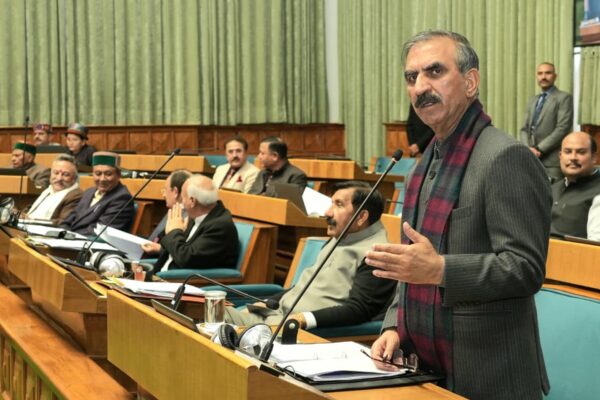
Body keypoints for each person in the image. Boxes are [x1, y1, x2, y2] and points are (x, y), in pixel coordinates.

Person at [365, 30, 552, 399]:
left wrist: (441, 270)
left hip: (489, 375)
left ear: (470, 82)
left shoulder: (505, 157)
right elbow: (412, 265)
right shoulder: (422, 166)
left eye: (435, 71)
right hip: (424, 367)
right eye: (412, 77)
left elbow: (525, 268)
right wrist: (394, 326)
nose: (421, 87)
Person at [224, 181, 396, 329]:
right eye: (331, 204)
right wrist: (266, 302)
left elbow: (359, 310)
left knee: (215, 318)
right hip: (275, 315)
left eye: (338, 205)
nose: (327, 212)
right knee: (212, 310)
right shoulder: (340, 236)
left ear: (361, 217)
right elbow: (304, 286)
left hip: (297, 330)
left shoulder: (378, 254)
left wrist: (303, 319)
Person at [153, 174, 239, 272]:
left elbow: (186, 258)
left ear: (192, 201)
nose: (182, 203)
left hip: (179, 279)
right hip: (161, 275)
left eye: (183, 198)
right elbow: (176, 250)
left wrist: (174, 232)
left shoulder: (220, 227)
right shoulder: (195, 217)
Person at [520, 62, 573, 182]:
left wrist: (539, 149)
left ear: (555, 76)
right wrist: (528, 149)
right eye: (540, 73)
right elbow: (524, 129)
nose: (543, 77)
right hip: (531, 159)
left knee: (552, 192)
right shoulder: (533, 100)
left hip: (551, 162)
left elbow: (562, 128)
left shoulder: (564, 98)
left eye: (548, 73)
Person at [61, 152, 134, 235]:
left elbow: (100, 231)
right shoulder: (89, 192)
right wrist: (61, 233)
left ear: (118, 174)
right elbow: (69, 220)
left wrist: (70, 236)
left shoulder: (122, 198)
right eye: (98, 174)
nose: (102, 179)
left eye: (108, 174)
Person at [550, 131, 600, 238]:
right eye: (568, 152)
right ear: (560, 156)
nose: (573, 157)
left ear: (594, 158)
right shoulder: (552, 189)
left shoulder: (597, 193)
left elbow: (595, 244)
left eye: (581, 152)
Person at [23, 154, 83, 224]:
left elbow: (64, 222)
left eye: (65, 174)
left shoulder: (75, 196)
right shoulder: (49, 190)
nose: (59, 178)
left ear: (74, 178)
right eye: (56, 173)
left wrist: (31, 221)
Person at [143, 169, 192, 245]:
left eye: (165, 190)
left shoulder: (184, 218)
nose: (164, 195)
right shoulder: (175, 210)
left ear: (175, 192)